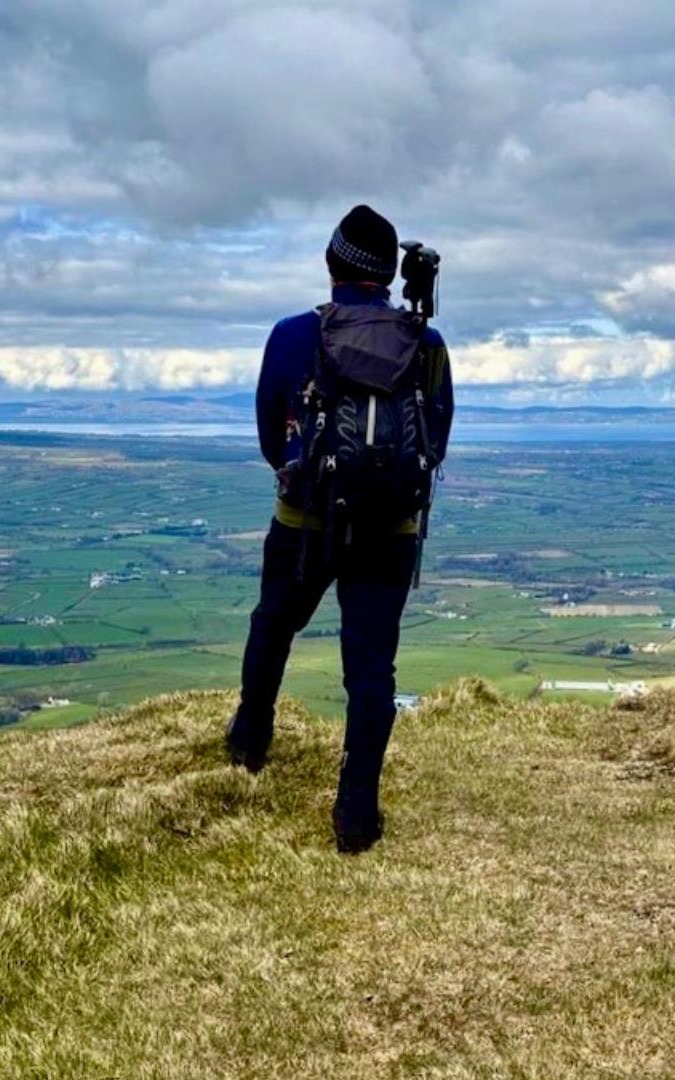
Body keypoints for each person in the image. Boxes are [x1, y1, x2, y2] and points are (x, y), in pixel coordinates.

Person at [228, 204, 454, 854]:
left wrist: (306, 474)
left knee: (274, 621)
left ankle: (250, 740)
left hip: (308, 521)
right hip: (391, 529)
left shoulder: (292, 335)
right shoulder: (426, 344)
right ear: (390, 274)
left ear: (332, 264)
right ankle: (356, 816)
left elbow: (274, 434)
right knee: (372, 669)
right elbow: (434, 437)